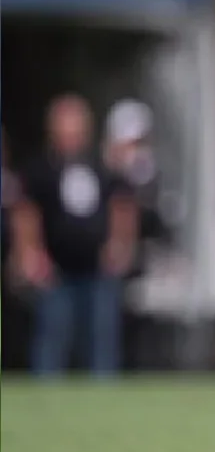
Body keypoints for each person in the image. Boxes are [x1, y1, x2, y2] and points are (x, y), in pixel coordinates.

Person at [14, 94, 137, 377]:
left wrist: (119, 246)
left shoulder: (102, 168)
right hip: (56, 270)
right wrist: (31, 253)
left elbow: (122, 205)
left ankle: (104, 400)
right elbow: (26, 213)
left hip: (97, 269)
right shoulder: (40, 170)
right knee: (52, 338)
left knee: (101, 341)